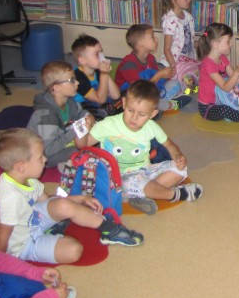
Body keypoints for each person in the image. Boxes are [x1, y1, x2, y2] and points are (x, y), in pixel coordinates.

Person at [0, 128, 144, 264]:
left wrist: (81, 199)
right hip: (23, 245)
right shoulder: (10, 198)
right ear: (21, 167)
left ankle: (108, 229)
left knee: (63, 205)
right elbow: (2, 240)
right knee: (73, 250)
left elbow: (49, 201)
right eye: (40, 157)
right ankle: (53, 230)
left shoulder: (29, 179)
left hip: (34, 219)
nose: (45, 159)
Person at [85, 79, 203, 215]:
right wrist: (85, 130)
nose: (134, 117)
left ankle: (140, 193)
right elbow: (83, 144)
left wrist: (178, 156)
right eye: (130, 110)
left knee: (180, 168)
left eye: (142, 114)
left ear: (152, 114)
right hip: (117, 177)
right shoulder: (108, 124)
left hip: (145, 171)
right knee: (136, 181)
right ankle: (173, 194)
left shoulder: (151, 127)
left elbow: (169, 144)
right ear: (124, 103)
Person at [27, 60, 95, 172]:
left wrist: (88, 116)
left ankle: (69, 161)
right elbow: (47, 151)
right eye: (72, 80)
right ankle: (67, 164)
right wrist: (75, 130)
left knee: (95, 138)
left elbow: (80, 113)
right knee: (85, 151)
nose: (77, 83)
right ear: (56, 88)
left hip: (61, 138)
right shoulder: (46, 115)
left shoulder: (69, 101)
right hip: (43, 155)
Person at [114, 23, 192, 113]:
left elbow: (157, 81)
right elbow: (138, 91)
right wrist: (159, 75)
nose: (156, 39)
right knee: (149, 104)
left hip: (149, 93)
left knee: (175, 83)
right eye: (152, 36)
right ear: (140, 43)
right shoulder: (128, 63)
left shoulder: (151, 58)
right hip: (132, 97)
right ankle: (169, 105)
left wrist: (167, 75)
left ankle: (158, 105)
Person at [160, 0, 200, 93]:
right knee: (188, 87)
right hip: (174, 63)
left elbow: (189, 42)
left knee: (199, 81)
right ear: (174, 0)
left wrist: (203, 43)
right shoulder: (170, 20)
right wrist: (175, 68)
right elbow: (167, 49)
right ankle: (171, 91)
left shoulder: (188, 17)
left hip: (188, 61)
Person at [71, 34, 122, 118]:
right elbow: (100, 100)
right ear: (83, 60)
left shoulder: (97, 71)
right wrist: (104, 74)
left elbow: (116, 95)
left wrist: (106, 73)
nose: (102, 57)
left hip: (96, 103)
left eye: (101, 52)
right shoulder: (78, 76)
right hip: (81, 110)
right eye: (97, 54)